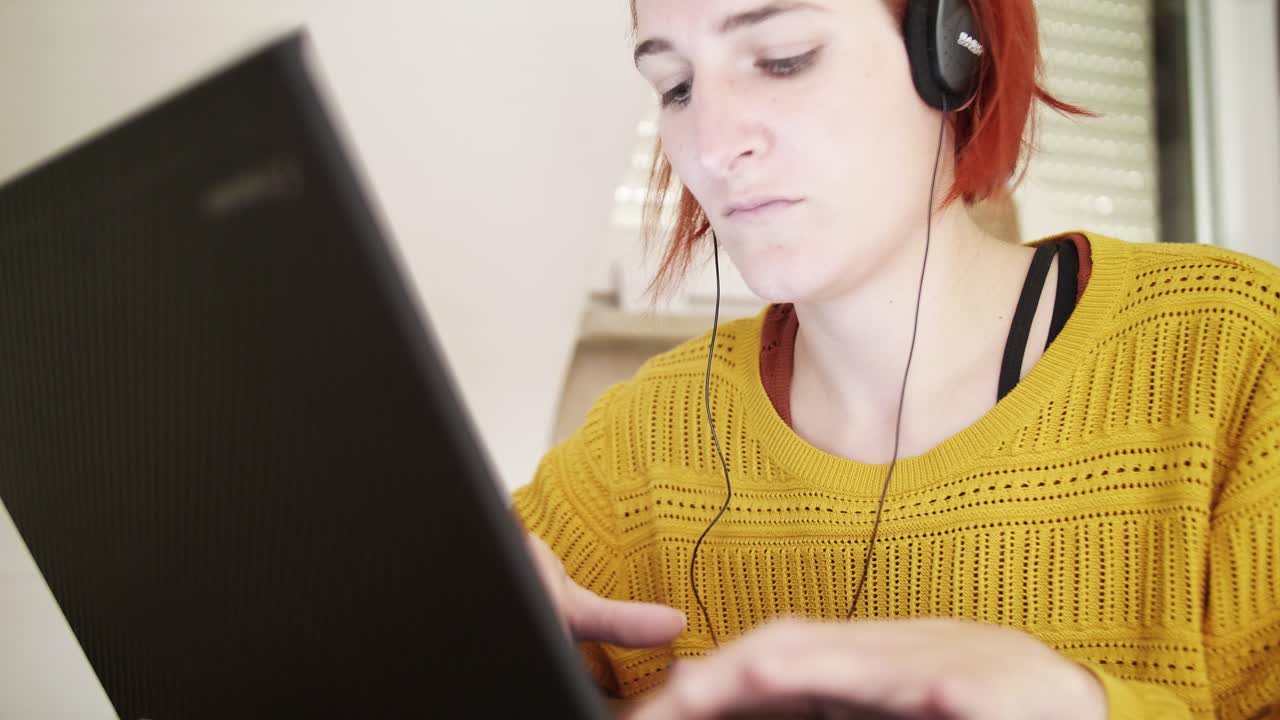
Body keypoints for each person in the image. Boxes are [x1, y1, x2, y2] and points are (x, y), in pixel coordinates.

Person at [514, 1, 1280, 718]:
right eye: (676, 87)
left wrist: (1076, 703)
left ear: (953, 51)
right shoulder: (637, 446)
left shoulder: (1238, 356)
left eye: (784, 59)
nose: (713, 147)